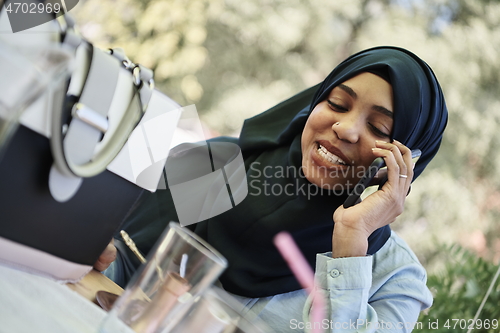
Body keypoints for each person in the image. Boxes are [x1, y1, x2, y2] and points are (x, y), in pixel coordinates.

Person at [96, 46, 448, 332]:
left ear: (407, 159)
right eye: (337, 104)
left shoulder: (395, 280)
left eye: (380, 127)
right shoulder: (214, 164)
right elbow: (117, 280)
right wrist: (94, 257)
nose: (345, 128)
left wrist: (351, 245)